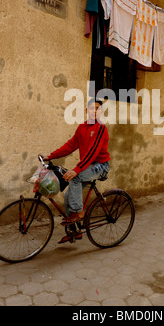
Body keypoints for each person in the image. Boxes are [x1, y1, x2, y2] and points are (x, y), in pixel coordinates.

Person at [42, 98, 110, 244]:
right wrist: (51, 156)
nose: (94, 111)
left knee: (75, 177)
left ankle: (78, 212)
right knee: (68, 195)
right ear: (87, 111)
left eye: (98, 108)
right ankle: (75, 231)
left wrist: (76, 170)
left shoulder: (101, 128)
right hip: (88, 166)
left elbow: (92, 153)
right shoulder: (82, 127)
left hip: (100, 166)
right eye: (91, 108)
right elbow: (70, 145)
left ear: (101, 112)